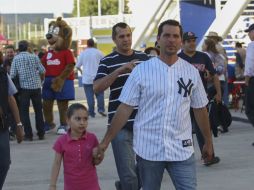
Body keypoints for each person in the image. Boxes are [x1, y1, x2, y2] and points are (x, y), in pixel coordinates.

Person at [93, 19, 213, 190]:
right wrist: (105, 142)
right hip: (149, 150)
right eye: (166, 36)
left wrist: (208, 141)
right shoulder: (141, 70)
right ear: (158, 39)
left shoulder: (191, 73)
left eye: (175, 36)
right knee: (134, 181)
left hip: (182, 150)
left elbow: (200, 108)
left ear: (180, 40)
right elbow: (124, 108)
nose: (171, 40)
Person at [93, 22, 149, 190]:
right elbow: (97, 87)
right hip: (119, 125)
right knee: (128, 174)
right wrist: (120, 70)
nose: (126, 39)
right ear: (114, 39)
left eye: (128, 35)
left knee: (147, 170)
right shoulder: (107, 61)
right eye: (121, 36)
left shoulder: (145, 59)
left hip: (145, 123)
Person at [178, 32, 221, 165]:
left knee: (203, 128)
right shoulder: (178, 58)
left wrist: (218, 93)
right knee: (183, 130)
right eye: (188, 41)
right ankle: (183, 157)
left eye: (193, 40)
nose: (192, 43)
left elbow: (214, 76)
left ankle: (209, 155)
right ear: (183, 43)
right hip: (182, 99)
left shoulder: (203, 57)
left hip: (200, 98)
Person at [49, 103, 100, 190]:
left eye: (85, 119)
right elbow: (57, 163)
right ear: (68, 120)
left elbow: (96, 162)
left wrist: (98, 156)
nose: (82, 123)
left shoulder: (92, 138)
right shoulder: (61, 141)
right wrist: (52, 185)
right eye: (78, 119)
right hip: (71, 186)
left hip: (92, 186)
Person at [10, 40, 45, 141]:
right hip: (37, 87)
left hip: (24, 89)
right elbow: (42, 70)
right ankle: (41, 133)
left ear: (19, 48)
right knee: (38, 111)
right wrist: (40, 79)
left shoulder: (16, 59)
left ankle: (29, 135)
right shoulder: (34, 56)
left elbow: (12, 75)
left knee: (24, 112)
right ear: (27, 47)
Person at [0, 66, 24, 189]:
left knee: (4, 163)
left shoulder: (3, 74)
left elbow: (10, 98)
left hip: (2, 126)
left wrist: (19, 125)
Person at [76, 38, 106, 118]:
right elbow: (105, 62)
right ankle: (101, 109)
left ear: (87, 44)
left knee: (89, 96)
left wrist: (82, 72)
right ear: (94, 44)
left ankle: (91, 112)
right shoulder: (99, 52)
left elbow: (77, 66)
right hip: (98, 78)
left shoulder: (83, 53)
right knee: (100, 94)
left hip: (87, 78)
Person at [206, 31, 229, 106]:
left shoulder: (218, 48)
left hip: (218, 76)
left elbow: (223, 64)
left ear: (215, 39)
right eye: (209, 38)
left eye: (211, 38)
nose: (210, 39)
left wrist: (215, 71)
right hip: (219, 76)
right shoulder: (218, 47)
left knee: (219, 99)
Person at [243, 24, 254, 146]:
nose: (248, 34)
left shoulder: (252, 45)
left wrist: (247, 78)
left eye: (250, 32)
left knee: (250, 109)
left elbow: (250, 62)